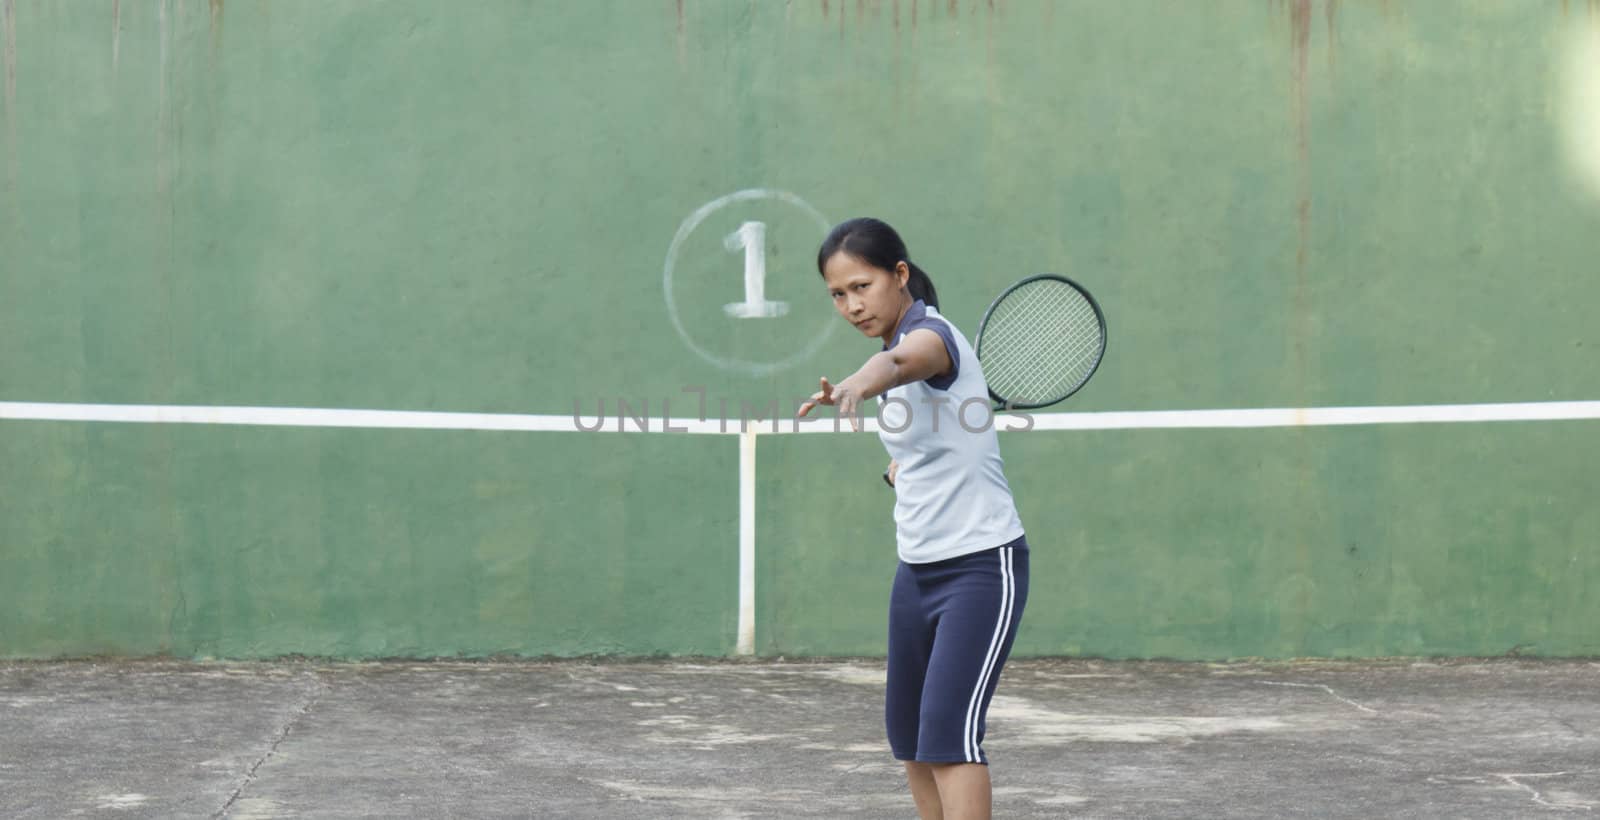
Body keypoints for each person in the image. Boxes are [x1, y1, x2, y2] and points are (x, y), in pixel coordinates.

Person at [796, 217, 1029, 820]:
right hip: (916, 572)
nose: (851, 304)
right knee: (910, 740)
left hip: (981, 568)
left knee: (950, 738)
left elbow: (901, 364)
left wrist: (857, 383)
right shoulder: (893, 349)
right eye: (837, 294)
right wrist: (899, 471)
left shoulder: (933, 337)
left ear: (899, 275)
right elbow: (918, 448)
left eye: (862, 286)